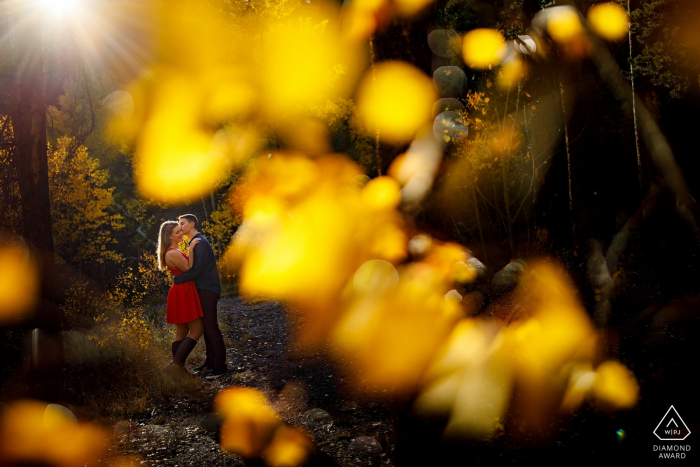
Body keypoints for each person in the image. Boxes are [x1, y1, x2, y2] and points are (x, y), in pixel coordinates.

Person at [174, 214, 228, 380]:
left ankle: (220, 367)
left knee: (211, 327)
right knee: (206, 328)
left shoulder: (200, 243)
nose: (180, 227)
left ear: (192, 224)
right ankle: (210, 363)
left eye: (182, 224)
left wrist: (177, 279)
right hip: (203, 289)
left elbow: (197, 270)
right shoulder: (194, 243)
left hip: (207, 289)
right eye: (179, 224)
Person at [157, 220, 204, 378]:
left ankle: (178, 368)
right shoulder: (172, 253)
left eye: (180, 230)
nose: (181, 233)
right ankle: (176, 366)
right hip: (183, 292)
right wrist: (191, 247)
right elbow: (190, 269)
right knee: (197, 330)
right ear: (169, 237)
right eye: (177, 232)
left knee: (182, 331)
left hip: (182, 290)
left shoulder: (173, 251)